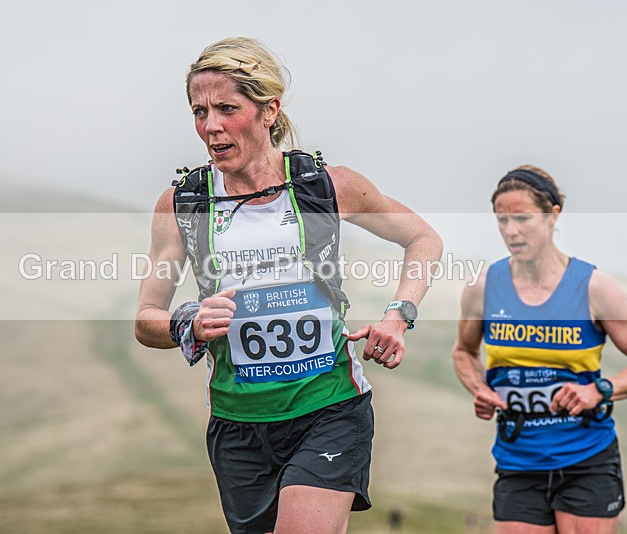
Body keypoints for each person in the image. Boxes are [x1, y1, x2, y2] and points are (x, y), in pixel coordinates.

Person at [135, 37, 442, 534]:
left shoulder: (328, 186)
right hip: (239, 426)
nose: (210, 126)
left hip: (330, 407)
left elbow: (424, 239)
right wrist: (186, 322)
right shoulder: (182, 203)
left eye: (227, 108)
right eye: (199, 111)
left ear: (269, 109)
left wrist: (398, 314)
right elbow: (146, 320)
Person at [452, 165, 627, 533]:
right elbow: (464, 351)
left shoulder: (594, 287)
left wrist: (600, 390)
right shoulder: (483, 287)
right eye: (502, 220)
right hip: (518, 459)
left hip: (587, 457)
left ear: (552, 214)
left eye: (523, 218)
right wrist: (479, 388)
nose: (511, 231)